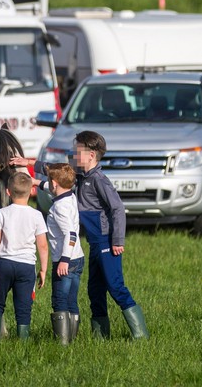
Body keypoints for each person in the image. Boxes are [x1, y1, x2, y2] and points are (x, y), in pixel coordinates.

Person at [73, 130, 148, 339]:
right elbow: (56, 171)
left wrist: (117, 240)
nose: (74, 156)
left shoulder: (99, 179)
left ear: (91, 155)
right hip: (95, 244)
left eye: (77, 152)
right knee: (94, 291)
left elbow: (117, 209)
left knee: (116, 287)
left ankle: (141, 336)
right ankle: (101, 338)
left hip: (107, 242)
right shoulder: (81, 176)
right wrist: (30, 163)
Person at [0, 170, 49, 341]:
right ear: (32, 191)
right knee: (23, 307)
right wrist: (43, 269)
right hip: (26, 267)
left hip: (4, 264)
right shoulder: (36, 215)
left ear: (8, 192)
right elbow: (42, 245)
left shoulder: (2, 213)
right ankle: (23, 341)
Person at [41, 162, 84, 344]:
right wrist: (34, 182)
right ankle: (72, 339)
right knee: (72, 300)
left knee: (60, 300)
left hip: (65, 260)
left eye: (49, 180)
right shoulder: (70, 196)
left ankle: (63, 343)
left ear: (55, 183)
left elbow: (71, 234)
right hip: (78, 258)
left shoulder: (59, 208)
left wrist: (64, 260)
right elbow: (50, 187)